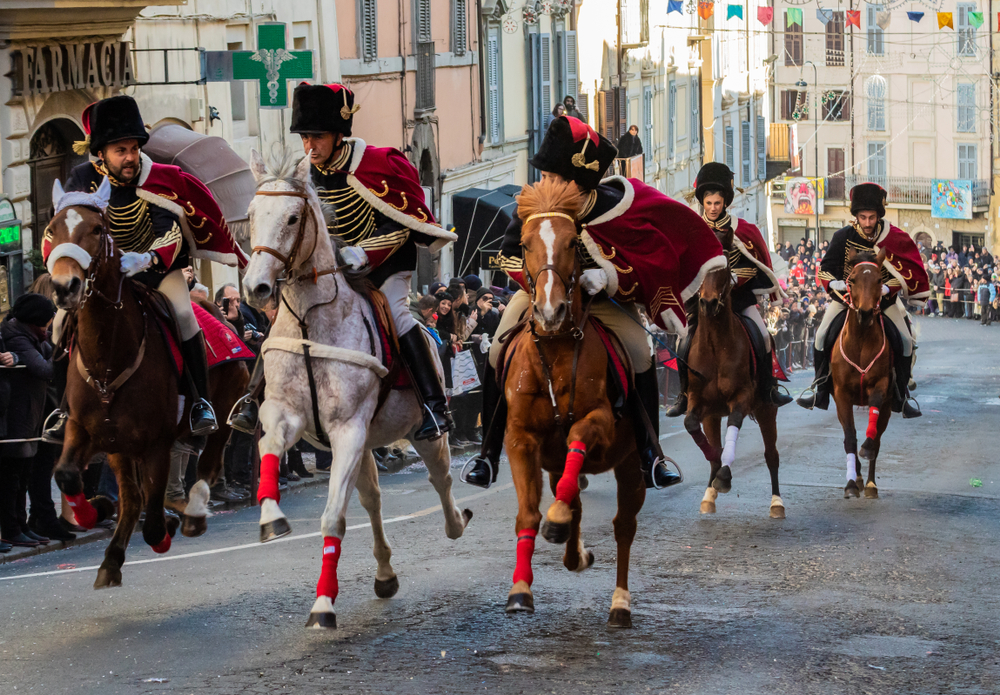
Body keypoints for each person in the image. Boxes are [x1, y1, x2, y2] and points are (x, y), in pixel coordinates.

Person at [461, 115, 725, 489]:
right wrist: (542, 284)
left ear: (577, 180)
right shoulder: (535, 205)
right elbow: (507, 255)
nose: (547, 182)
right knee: (495, 351)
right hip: (539, 296)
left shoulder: (613, 206)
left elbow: (646, 259)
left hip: (603, 301)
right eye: (548, 174)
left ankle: (651, 453)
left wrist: (609, 277)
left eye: (555, 176)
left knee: (640, 352)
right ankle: (487, 454)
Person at [228, 83, 456, 441]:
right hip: (331, 270)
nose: (309, 146)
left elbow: (402, 225)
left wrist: (363, 252)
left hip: (385, 266)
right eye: (304, 137)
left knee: (397, 314)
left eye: (317, 137)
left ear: (339, 134)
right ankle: (252, 399)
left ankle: (433, 405)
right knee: (289, 317)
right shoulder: (305, 175)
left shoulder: (378, 164)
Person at [45, 95, 247, 439]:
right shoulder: (81, 178)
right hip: (101, 274)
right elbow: (65, 225)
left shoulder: (161, 179)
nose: (130, 158)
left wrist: (147, 259)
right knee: (62, 320)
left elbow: (168, 232)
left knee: (184, 315)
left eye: (134, 149)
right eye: (120, 150)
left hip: (156, 270)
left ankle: (200, 401)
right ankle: (63, 408)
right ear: (102, 153)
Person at [665, 163, 793, 417]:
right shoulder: (690, 229)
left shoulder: (744, 230)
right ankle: (683, 395)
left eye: (717, 203)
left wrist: (733, 278)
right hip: (702, 300)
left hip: (738, 299)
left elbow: (755, 265)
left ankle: (768, 388)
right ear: (702, 201)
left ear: (725, 202)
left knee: (764, 336)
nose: (713, 208)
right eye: (709, 203)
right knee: (683, 341)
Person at [796, 182, 928, 418]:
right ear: (856, 216)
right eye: (863, 217)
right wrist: (835, 284)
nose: (867, 223)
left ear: (879, 216)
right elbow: (825, 270)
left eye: (872, 217)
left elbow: (907, 275)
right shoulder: (842, 237)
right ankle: (820, 388)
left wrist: (889, 288)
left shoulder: (894, 238)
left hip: (884, 302)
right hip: (847, 299)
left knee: (906, 340)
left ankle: (902, 393)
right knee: (821, 336)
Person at [0, 294, 56, 547]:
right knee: (12, 477)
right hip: (16, 414)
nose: (48, 328)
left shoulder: (31, 336)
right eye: (46, 323)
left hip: (28, 413)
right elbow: (45, 368)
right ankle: (12, 528)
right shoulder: (18, 336)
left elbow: (45, 356)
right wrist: (62, 353)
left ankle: (20, 525)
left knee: (22, 475)